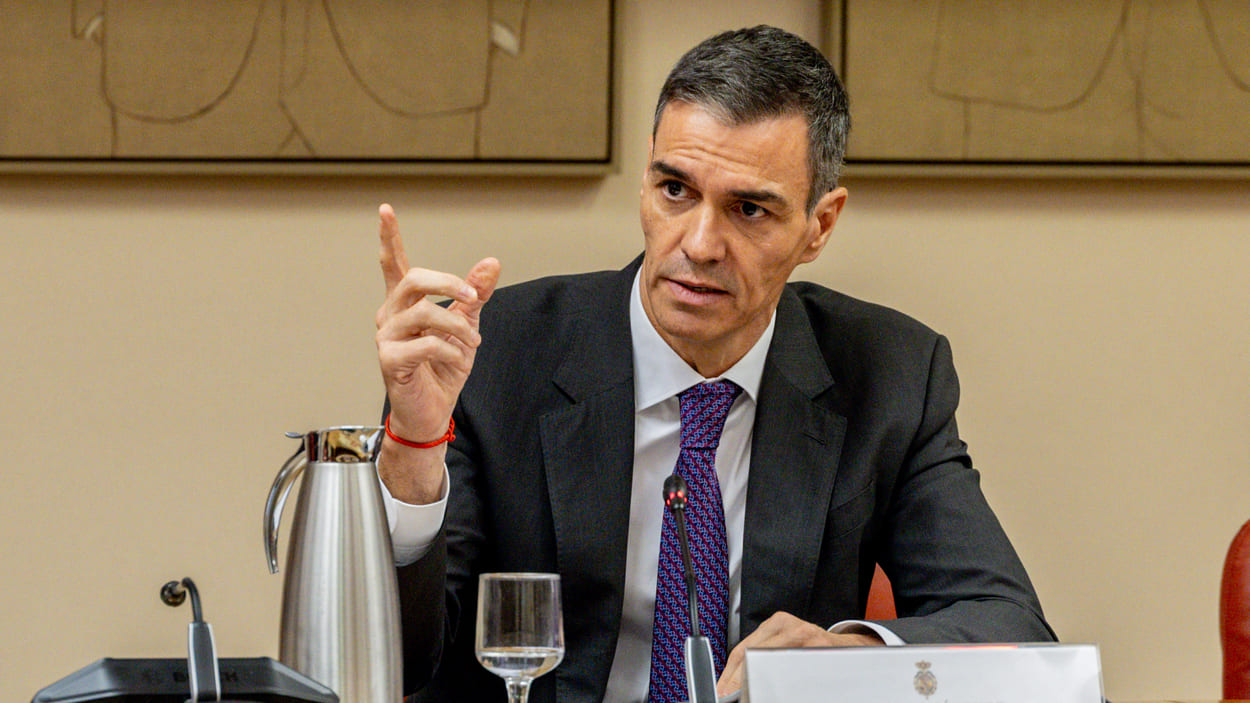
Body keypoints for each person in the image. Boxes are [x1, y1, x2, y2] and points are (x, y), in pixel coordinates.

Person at [372, 25, 1055, 703]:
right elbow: (394, 661)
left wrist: (846, 653)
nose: (699, 243)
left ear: (820, 224)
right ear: (646, 175)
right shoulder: (493, 352)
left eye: (749, 208)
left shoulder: (890, 372)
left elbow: (1012, 632)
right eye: (675, 189)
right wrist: (413, 454)